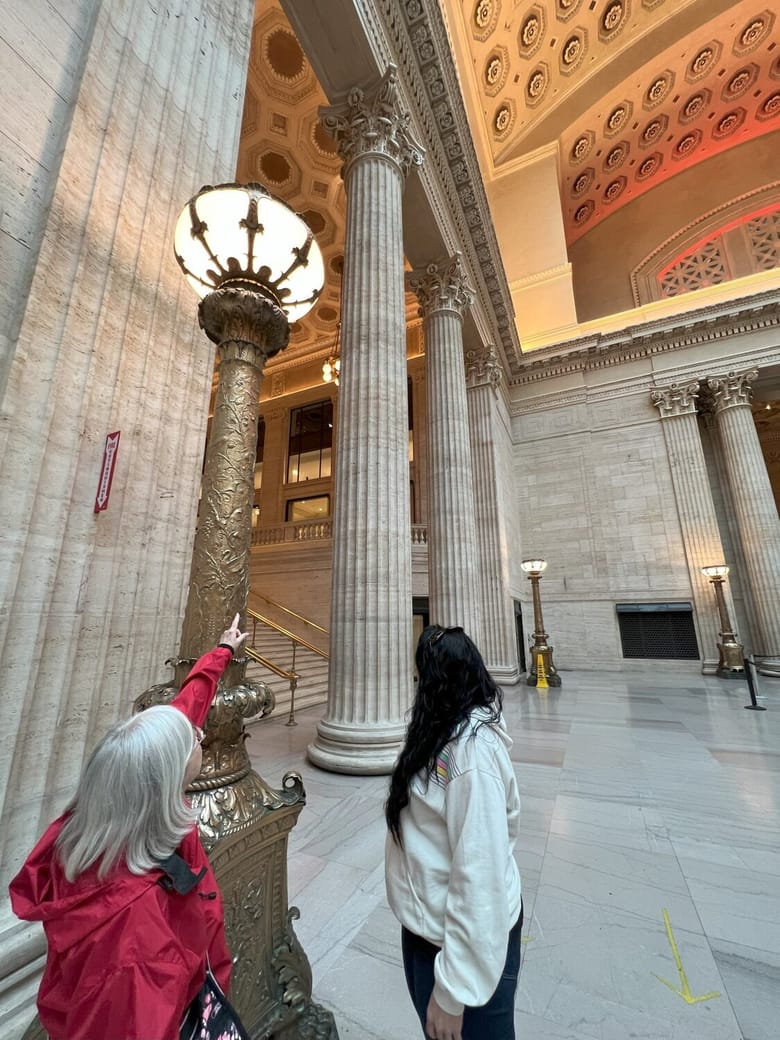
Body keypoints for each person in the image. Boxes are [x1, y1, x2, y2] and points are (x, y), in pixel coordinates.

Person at [9, 615, 249, 1040]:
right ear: (166, 776)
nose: (199, 733)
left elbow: (186, 707)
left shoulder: (121, 808)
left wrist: (222, 651)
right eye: (194, 740)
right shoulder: (133, 938)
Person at [385, 625, 523, 1040]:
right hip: (429, 929)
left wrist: (452, 991)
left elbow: (479, 873)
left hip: (459, 946)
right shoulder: (444, 731)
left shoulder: (472, 756)